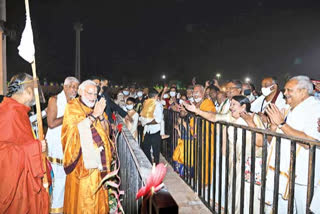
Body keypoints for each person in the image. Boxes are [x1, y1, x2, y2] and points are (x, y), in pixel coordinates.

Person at [184, 95, 265, 213]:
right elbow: (214, 117)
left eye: (233, 105)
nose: (230, 107)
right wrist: (197, 111)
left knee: (246, 196)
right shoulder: (230, 117)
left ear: (243, 106)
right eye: (230, 104)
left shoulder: (254, 118)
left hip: (249, 164)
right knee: (235, 192)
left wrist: (250, 122)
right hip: (235, 162)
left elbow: (261, 142)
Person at [265, 75, 320, 213]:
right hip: (283, 172)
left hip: (302, 176)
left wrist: (282, 124)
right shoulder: (288, 108)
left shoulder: (315, 108)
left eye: (289, 90)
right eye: (285, 90)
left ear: (303, 91)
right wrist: (273, 126)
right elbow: (272, 141)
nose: (285, 93)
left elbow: (310, 142)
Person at [61, 80, 113, 213]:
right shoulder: (73, 106)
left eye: (95, 94)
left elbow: (106, 132)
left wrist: (100, 116)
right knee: (84, 202)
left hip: (99, 164)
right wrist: (95, 114)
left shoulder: (96, 107)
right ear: (80, 92)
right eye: (89, 93)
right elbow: (75, 133)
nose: (92, 97)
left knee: (99, 200)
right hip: (82, 165)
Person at [0, 73, 49, 213]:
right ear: (28, 91)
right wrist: (34, 148)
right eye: (34, 89)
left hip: (24, 182)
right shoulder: (9, 112)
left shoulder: (19, 111)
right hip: (16, 190)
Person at [45, 76, 79, 214]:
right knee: (57, 179)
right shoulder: (55, 100)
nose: (74, 89)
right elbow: (51, 123)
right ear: (64, 87)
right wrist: (70, 114)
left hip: (69, 144)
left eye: (76, 87)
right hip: (56, 146)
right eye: (72, 86)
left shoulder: (76, 102)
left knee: (66, 180)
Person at [140, 88, 164, 164]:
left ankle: (156, 168)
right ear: (155, 96)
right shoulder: (146, 103)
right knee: (146, 148)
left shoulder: (158, 104)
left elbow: (158, 120)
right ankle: (149, 165)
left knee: (156, 151)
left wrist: (147, 122)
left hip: (155, 130)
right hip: (148, 130)